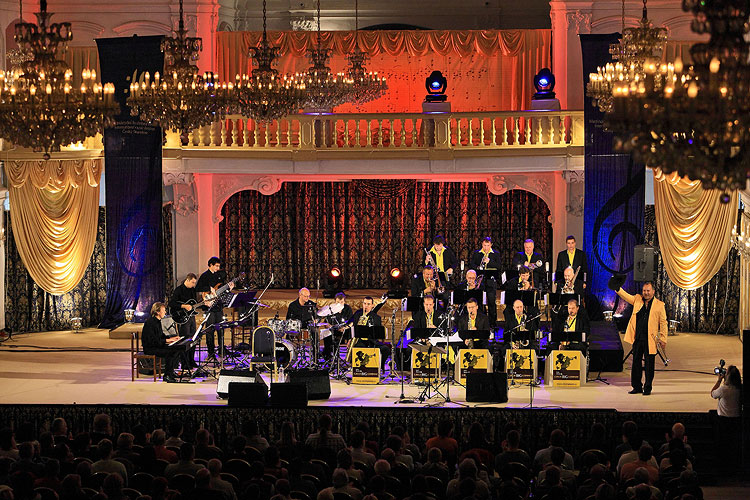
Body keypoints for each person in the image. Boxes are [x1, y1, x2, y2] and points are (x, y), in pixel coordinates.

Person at [615, 281, 668, 395]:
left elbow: (663, 323)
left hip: (650, 339)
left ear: (653, 291)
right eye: (644, 290)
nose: (646, 293)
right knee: (636, 364)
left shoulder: (659, 305)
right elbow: (626, 296)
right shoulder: (638, 299)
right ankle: (637, 387)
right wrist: (617, 288)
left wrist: (663, 339)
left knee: (649, 365)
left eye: (648, 291)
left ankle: (647, 387)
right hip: (638, 338)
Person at [195, 257, 234, 360]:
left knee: (221, 329)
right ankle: (211, 352)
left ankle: (221, 350)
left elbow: (221, 290)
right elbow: (198, 288)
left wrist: (229, 288)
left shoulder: (219, 276)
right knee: (210, 330)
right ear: (210, 265)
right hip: (209, 307)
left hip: (218, 306)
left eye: (218, 266)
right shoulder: (204, 276)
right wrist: (209, 288)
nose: (218, 268)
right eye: (216, 266)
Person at [141, 302, 183, 383]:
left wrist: (171, 338)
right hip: (150, 348)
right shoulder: (151, 323)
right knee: (170, 353)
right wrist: (167, 340)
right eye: (163, 310)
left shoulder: (157, 321)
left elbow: (161, 335)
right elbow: (152, 340)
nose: (165, 312)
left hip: (157, 345)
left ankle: (171, 372)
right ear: (157, 312)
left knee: (176, 349)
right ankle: (167, 376)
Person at [711, 364, 742, 471]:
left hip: (723, 420)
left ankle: (722, 466)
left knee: (723, 445)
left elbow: (713, 394)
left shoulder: (724, 389)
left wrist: (719, 380)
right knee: (733, 445)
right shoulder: (739, 389)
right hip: (736, 420)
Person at [168, 273, 201, 369]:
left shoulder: (192, 290)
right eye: (193, 282)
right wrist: (183, 306)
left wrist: (203, 303)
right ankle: (184, 362)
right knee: (185, 340)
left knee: (193, 339)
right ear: (187, 280)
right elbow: (172, 303)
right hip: (182, 318)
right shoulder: (179, 290)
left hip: (191, 317)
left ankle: (191, 360)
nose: (194, 285)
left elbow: (193, 304)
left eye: (195, 283)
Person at [350, 296, 389, 368]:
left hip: (372, 341)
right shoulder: (357, 315)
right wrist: (350, 340)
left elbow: (378, 333)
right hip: (360, 341)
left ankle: (380, 366)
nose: (366, 306)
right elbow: (353, 328)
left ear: (372, 305)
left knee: (385, 349)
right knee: (357, 349)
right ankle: (358, 368)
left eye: (368, 304)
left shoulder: (376, 317)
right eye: (364, 303)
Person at [470, 237, 501, 325]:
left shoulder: (495, 254)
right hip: (480, 280)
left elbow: (499, 266)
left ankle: (492, 323)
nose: (486, 247)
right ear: (482, 245)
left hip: (491, 281)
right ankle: (480, 321)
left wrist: (489, 262)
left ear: (491, 245)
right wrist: (478, 267)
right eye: (484, 245)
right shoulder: (477, 253)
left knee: (491, 302)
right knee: (478, 301)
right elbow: (472, 264)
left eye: (488, 245)